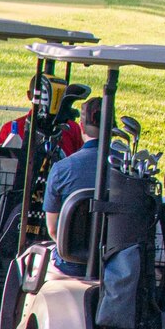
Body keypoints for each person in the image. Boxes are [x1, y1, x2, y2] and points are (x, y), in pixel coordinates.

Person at [40, 98, 108, 272]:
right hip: (112, 263)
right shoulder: (125, 170)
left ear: (81, 127)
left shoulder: (61, 169)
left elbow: (53, 229)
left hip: (70, 262)